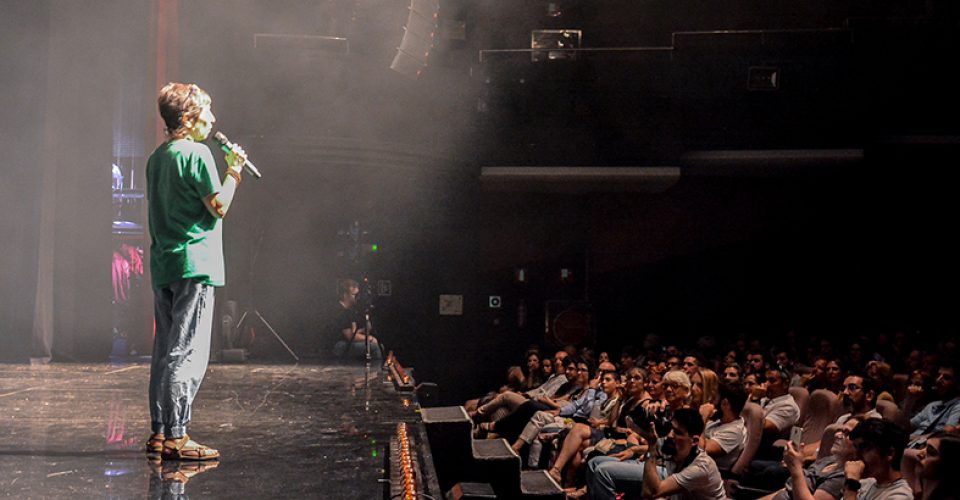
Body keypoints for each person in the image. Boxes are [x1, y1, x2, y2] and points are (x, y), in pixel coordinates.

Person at [145, 82, 247, 461]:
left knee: (164, 351)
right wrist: (233, 172)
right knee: (186, 352)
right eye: (207, 112)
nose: (213, 119)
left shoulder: (158, 158)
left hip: (165, 265)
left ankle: (159, 432)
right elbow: (218, 206)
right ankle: (177, 435)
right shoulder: (199, 154)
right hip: (195, 265)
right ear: (188, 119)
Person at [760, 416, 865, 500]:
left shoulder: (843, 475)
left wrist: (796, 468)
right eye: (840, 430)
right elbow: (787, 491)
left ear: (860, 444)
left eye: (846, 433)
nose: (837, 435)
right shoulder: (829, 460)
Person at [842, 419, 913, 499]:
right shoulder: (865, 483)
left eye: (865, 448)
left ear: (889, 453)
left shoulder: (900, 496)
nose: (856, 456)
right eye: (856, 447)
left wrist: (851, 486)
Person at [330, 279, 381, 359]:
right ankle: (376, 370)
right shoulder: (340, 311)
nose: (357, 298)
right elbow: (350, 336)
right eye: (354, 295)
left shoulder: (350, 310)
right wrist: (370, 339)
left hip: (346, 341)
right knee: (374, 347)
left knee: (378, 345)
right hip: (338, 345)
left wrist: (365, 329)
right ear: (345, 295)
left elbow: (353, 332)